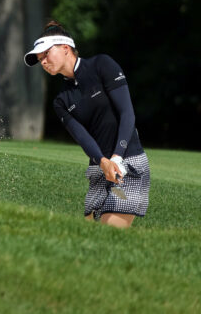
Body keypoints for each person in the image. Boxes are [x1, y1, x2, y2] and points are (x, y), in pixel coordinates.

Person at [24, 21, 150, 228]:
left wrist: (117, 157)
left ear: (65, 48)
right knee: (91, 238)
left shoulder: (102, 65)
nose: (43, 62)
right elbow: (83, 138)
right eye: (40, 60)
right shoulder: (61, 101)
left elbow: (127, 113)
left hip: (129, 164)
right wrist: (103, 162)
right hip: (99, 169)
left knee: (109, 233)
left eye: (46, 54)